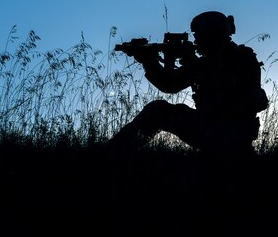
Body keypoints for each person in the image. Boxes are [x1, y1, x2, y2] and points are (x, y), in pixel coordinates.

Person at [108, 10, 269, 155]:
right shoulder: (213, 61)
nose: (196, 41)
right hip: (217, 130)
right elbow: (169, 84)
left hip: (225, 133)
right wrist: (149, 60)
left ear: (213, 35)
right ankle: (113, 153)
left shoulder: (238, 58)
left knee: (157, 112)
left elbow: (171, 84)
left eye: (200, 36)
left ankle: (109, 154)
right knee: (158, 111)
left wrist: (188, 63)